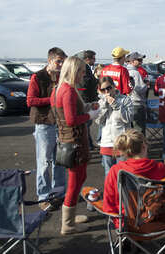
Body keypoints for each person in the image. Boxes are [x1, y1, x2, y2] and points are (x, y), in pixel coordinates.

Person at [50, 56, 100, 235]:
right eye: (81, 72)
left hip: (68, 140)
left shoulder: (58, 89)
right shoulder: (68, 91)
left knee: (79, 177)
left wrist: (86, 107)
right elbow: (71, 120)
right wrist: (90, 116)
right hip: (75, 142)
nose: (83, 76)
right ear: (73, 71)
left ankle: (70, 218)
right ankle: (68, 224)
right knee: (74, 182)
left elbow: (65, 112)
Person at [103, 129, 165, 228]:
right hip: (157, 222)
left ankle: (124, 241)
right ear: (144, 146)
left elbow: (108, 204)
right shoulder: (160, 168)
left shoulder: (116, 171)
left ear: (125, 151)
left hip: (127, 224)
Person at [26, 47, 67, 211]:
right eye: (58, 61)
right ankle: (43, 196)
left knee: (60, 161)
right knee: (44, 162)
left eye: (62, 61)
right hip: (44, 124)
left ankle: (59, 194)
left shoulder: (61, 77)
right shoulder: (38, 77)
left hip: (60, 123)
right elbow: (30, 101)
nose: (61, 64)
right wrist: (51, 100)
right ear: (50, 60)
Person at [96, 76, 134, 176]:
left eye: (108, 88)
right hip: (106, 142)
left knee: (122, 173)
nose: (107, 91)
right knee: (108, 174)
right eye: (103, 90)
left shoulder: (125, 100)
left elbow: (128, 118)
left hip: (121, 142)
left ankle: (121, 192)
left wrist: (115, 104)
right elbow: (98, 121)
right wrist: (104, 105)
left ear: (113, 86)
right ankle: (110, 192)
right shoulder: (101, 102)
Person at [76, 50, 98, 150]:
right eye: (93, 58)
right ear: (87, 59)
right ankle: (86, 145)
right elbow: (84, 86)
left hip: (85, 100)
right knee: (85, 124)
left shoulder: (85, 68)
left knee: (86, 124)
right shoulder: (84, 68)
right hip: (85, 101)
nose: (95, 60)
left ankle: (88, 144)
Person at [126, 52, 148, 135]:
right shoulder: (135, 73)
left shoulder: (125, 71)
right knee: (139, 130)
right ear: (132, 61)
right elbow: (140, 89)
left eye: (141, 60)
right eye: (139, 60)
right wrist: (146, 85)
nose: (141, 62)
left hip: (127, 102)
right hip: (137, 103)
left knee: (130, 130)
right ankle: (139, 147)